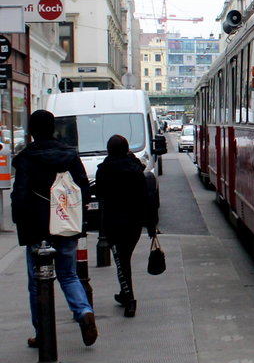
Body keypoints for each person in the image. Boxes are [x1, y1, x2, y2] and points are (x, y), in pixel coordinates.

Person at [12, 109, 96, 348]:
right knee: (68, 274)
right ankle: (83, 311)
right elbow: (83, 188)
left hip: (38, 228)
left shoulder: (27, 158)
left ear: (31, 131)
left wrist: (21, 222)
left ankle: (43, 331)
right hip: (65, 223)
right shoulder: (69, 155)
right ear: (53, 129)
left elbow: (20, 195)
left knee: (37, 281)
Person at [94, 134, 159, 318]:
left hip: (113, 222)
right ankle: (125, 294)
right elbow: (146, 199)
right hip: (134, 222)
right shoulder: (136, 170)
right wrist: (151, 226)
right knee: (125, 258)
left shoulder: (105, 169)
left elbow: (99, 194)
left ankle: (130, 300)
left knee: (121, 261)